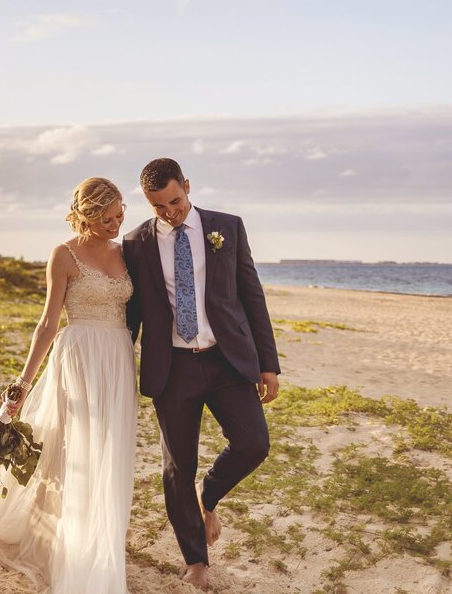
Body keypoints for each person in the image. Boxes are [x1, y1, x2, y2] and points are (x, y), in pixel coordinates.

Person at [0, 177, 137, 594]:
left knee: (112, 446)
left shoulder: (128, 254)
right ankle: (67, 538)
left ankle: (102, 534)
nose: (116, 222)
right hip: (80, 356)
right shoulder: (64, 255)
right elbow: (49, 323)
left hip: (118, 359)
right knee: (73, 448)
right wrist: (22, 382)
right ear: (86, 215)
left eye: (120, 212)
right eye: (107, 217)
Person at [122, 158, 281, 591]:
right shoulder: (135, 242)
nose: (169, 212)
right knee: (177, 468)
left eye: (175, 201)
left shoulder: (227, 227)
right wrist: (117, 364)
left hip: (227, 360)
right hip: (172, 368)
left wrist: (268, 363)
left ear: (187, 186)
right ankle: (196, 560)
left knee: (253, 443)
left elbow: (252, 295)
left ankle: (207, 496)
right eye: (158, 207)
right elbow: (132, 314)